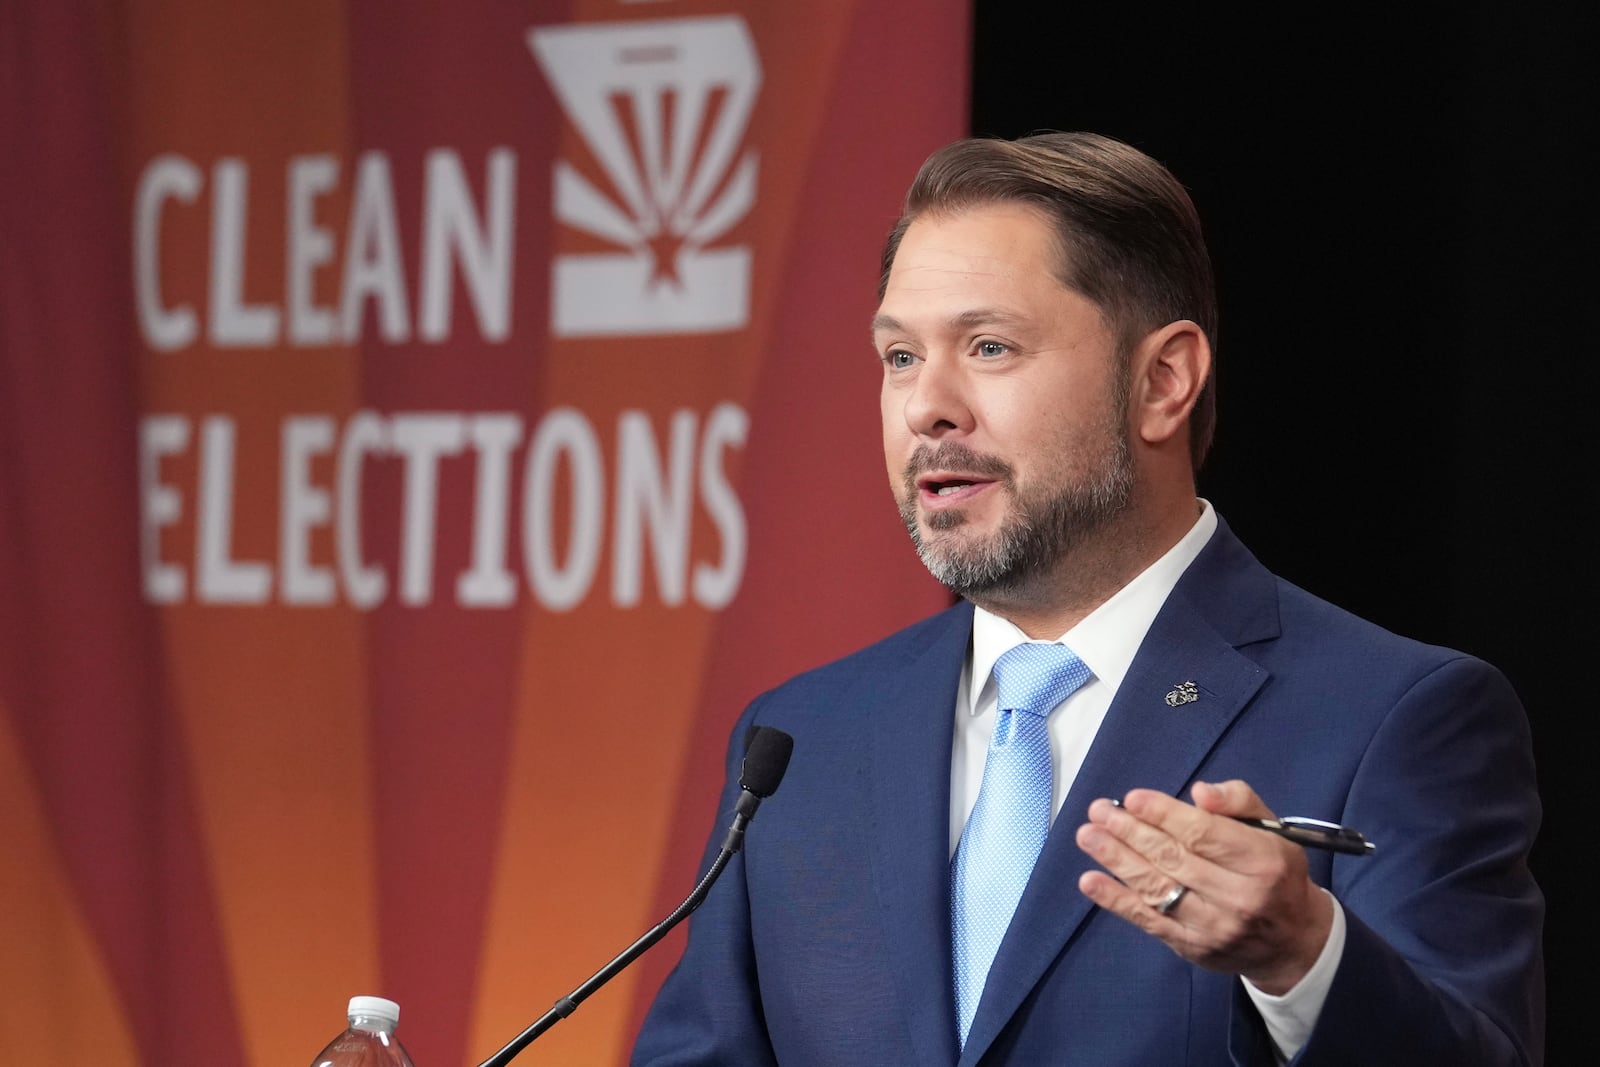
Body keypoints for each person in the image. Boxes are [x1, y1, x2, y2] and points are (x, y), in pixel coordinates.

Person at [630, 132, 1543, 1066]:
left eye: (989, 345)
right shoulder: (800, 741)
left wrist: (1303, 958)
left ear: (1163, 381)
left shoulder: (1395, 717)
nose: (923, 408)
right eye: (900, 356)